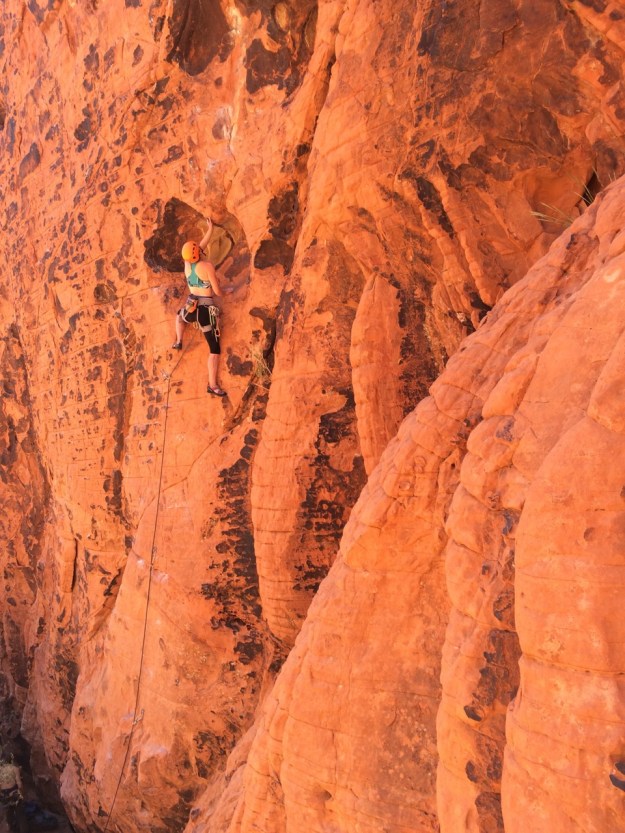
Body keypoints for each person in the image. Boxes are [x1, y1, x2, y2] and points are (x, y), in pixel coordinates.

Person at [172, 217, 234, 396]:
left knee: (179, 316)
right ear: (198, 253)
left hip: (191, 307)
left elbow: (198, 249)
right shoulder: (207, 266)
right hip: (206, 312)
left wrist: (210, 230)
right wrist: (226, 291)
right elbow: (216, 291)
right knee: (214, 350)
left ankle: (178, 341)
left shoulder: (187, 265)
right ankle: (212, 385)